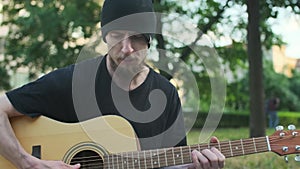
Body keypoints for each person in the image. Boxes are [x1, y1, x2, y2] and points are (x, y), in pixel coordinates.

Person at [0, 0, 225, 168]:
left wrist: (198, 165)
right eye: (117, 35)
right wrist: (28, 163)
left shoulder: (165, 93)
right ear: (105, 37)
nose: (126, 48)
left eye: (136, 37)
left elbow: (174, 163)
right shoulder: (73, 81)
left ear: (148, 40)